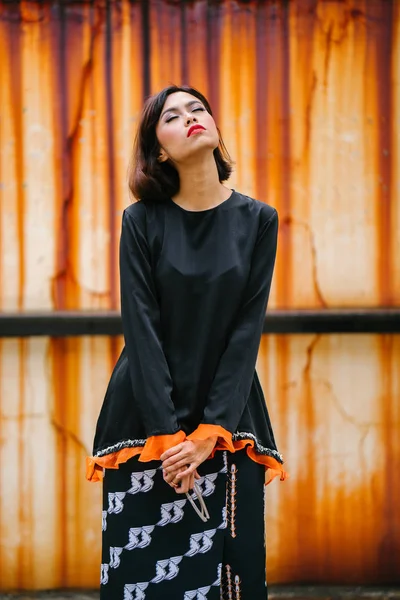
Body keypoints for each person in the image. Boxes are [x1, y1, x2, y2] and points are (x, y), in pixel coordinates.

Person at [86, 84, 287, 599]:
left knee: (232, 580)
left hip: (230, 419)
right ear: (158, 149)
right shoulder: (141, 221)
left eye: (198, 109)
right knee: (141, 583)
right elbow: (142, 330)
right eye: (172, 117)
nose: (191, 118)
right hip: (145, 423)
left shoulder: (259, 220)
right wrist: (170, 438)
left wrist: (208, 433)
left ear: (215, 127)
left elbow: (246, 331)